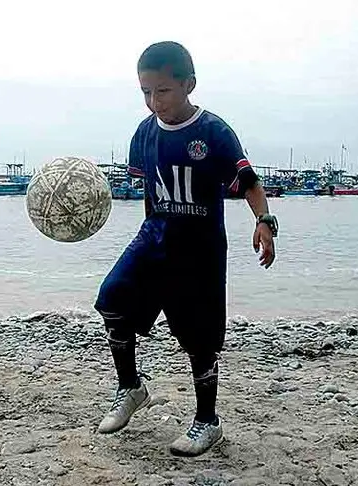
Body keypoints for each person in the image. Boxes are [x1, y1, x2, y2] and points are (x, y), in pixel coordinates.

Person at [94, 41, 278, 456]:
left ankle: (206, 422)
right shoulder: (143, 134)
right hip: (153, 239)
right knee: (112, 300)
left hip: (199, 249)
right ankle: (131, 388)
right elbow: (143, 190)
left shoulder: (213, 132)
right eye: (145, 92)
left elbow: (249, 183)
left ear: (188, 85)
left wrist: (264, 222)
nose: (153, 101)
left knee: (200, 339)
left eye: (163, 91)